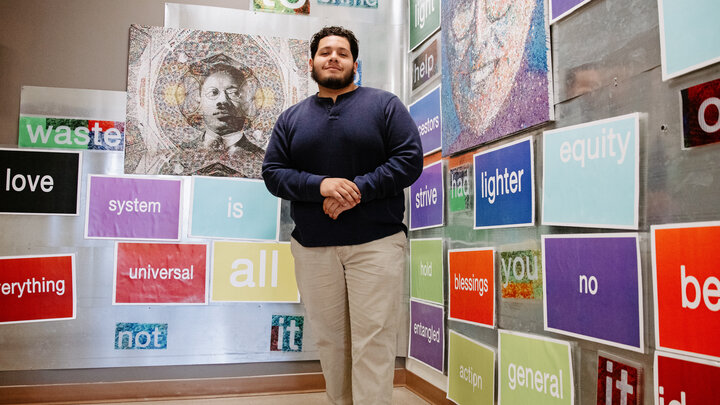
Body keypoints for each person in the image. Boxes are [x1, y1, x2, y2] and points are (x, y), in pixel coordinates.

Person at [262, 26, 423, 405]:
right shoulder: (290, 119)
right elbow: (273, 173)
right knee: (331, 343)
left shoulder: (385, 105)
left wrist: (355, 190)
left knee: (374, 341)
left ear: (354, 63)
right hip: (314, 248)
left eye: (342, 52)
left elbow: (409, 160)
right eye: (325, 52)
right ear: (312, 63)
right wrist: (321, 186)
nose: (333, 57)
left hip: (377, 245)